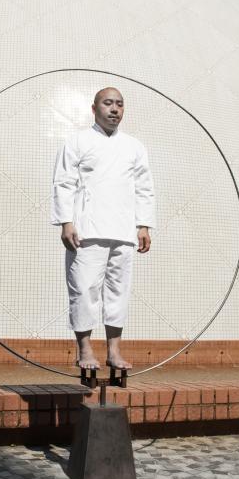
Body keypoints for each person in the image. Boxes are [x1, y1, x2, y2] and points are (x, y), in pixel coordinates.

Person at [51, 87, 156, 370]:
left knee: (118, 291)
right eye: (108, 103)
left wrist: (143, 225)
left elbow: (144, 187)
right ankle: (85, 350)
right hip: (86, 230)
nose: (114, 109)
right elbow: (64, 182)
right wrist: (66, 222)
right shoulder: (77, 141)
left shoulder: (134, 146)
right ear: (94, 108)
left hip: (123, 231)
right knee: (84, 289)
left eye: (119, 104)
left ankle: (114, 351)